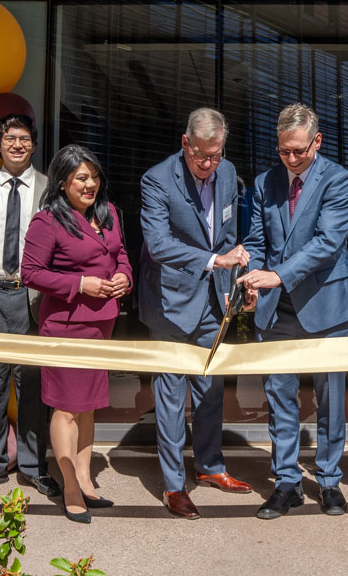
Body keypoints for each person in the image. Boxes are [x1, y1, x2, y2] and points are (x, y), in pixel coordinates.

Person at [239, 103, 348, 519]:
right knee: (279, 396)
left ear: (317, 141)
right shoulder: (263, 183)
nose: (291, 159)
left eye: (299, 151)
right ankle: (287, 481)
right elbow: (256, 241)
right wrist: (255, 278)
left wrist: (277, 275)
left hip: (328, 305)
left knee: (330, 399)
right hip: (277, 309)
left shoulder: (339, 180)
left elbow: (328, 243)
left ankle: (329, 480)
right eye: (284, 151)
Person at [138, 108, 253, 520]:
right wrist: (214, 261)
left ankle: (209, 467)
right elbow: (158, 244)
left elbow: (227, 236)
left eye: (215, 155)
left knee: (210, 390)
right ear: (185, 143)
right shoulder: (156, 179)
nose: (207, 164)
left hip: (212, 299)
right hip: (169, 301)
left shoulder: (227, 173)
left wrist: (231, 283)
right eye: (200, 155)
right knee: (170, 398)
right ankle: (174, 484)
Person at [21, 143, 132, 524]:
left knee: (88, 405)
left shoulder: (111, 213)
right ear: (63, 181)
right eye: (82, 178)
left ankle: (85, 479)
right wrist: (79, 283)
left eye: (94, 177)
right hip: (65, 326)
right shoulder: (47, 220)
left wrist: (124, 277)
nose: (90, 185)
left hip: (102, 324)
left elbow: (121, 257)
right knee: (66, 407)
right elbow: (31, 273)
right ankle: (68, 484)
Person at [0, 114, 61, 499]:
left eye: (24, 138)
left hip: (33, 297)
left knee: (32, 387)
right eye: (10, 138)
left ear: (34, 145)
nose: (17, 145)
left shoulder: (49, 189)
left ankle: (33, 466)